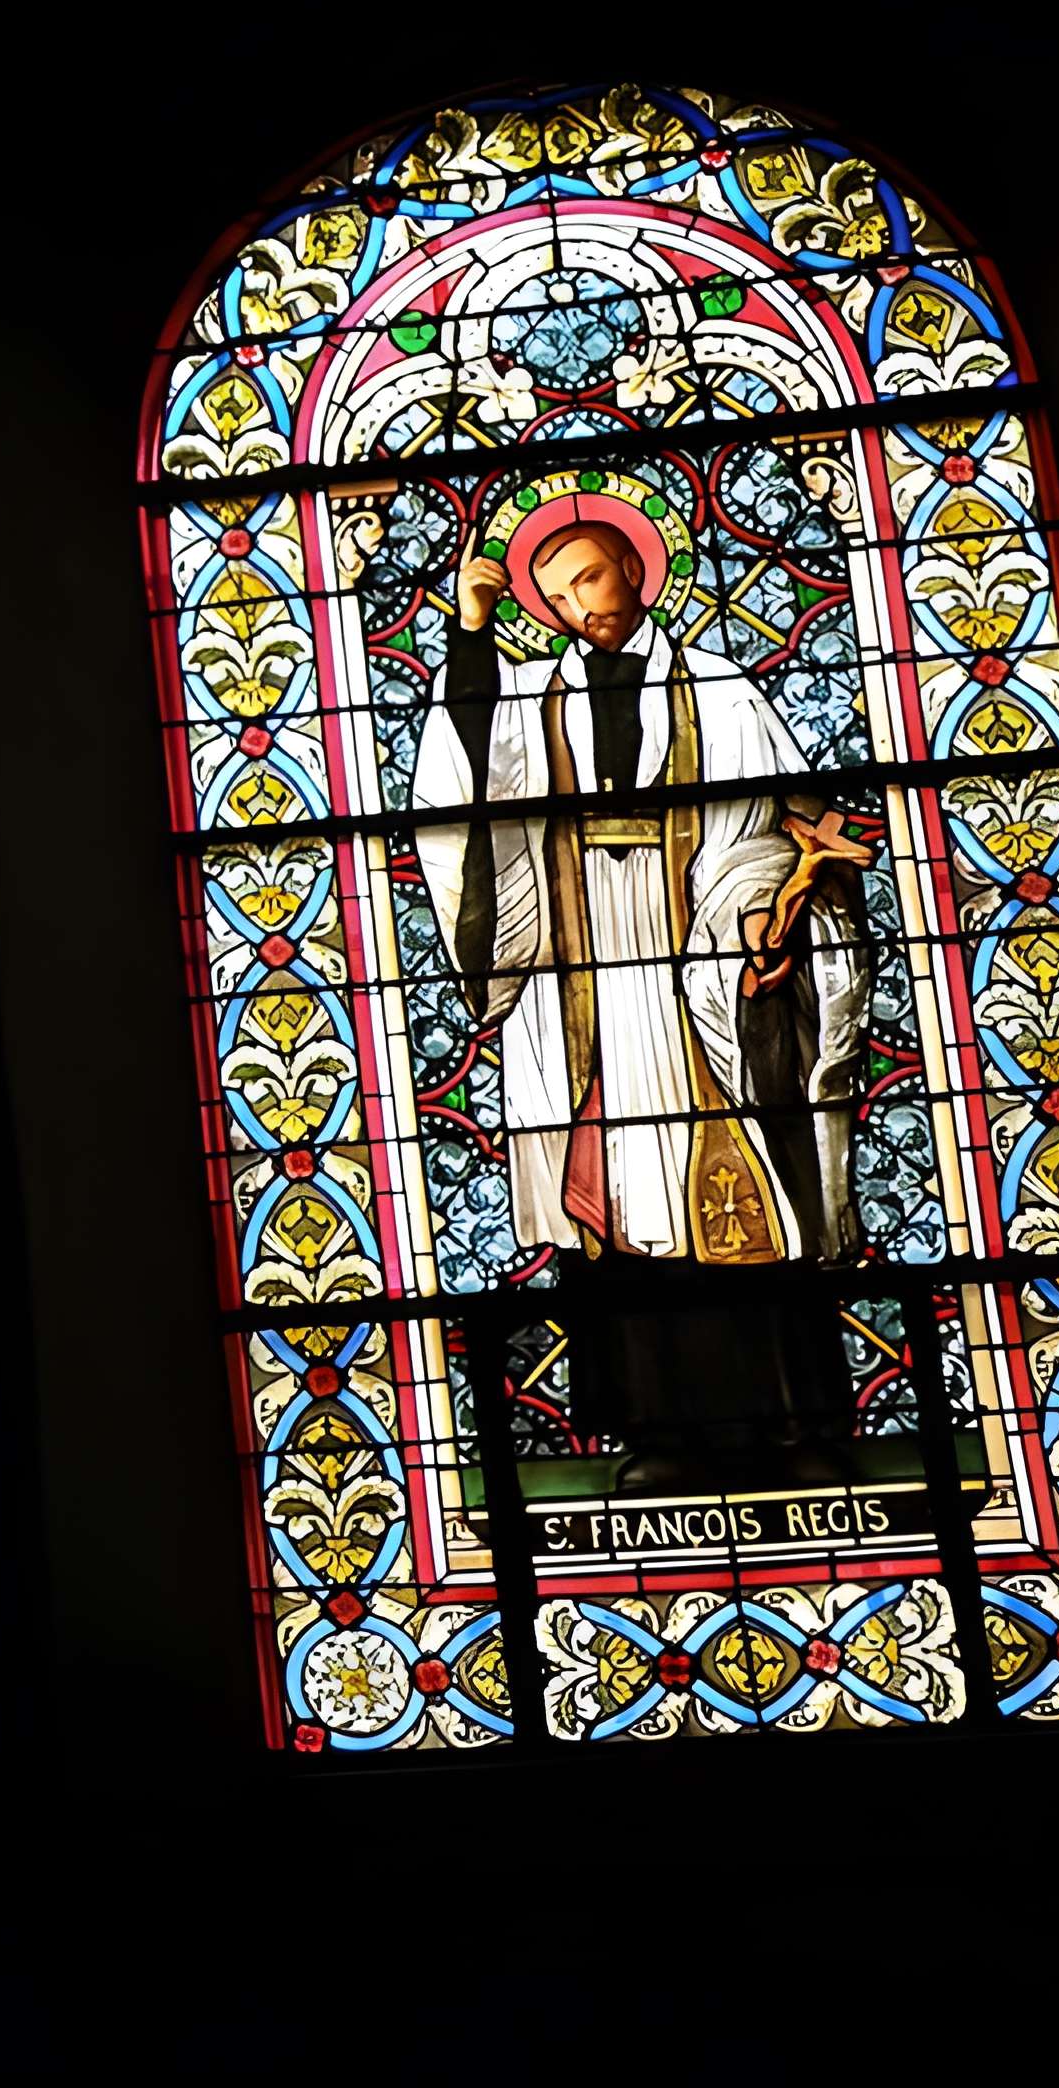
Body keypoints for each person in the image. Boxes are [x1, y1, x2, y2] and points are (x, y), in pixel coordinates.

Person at [412, 496, 876, 1487]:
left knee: (756, 1197)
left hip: (701, 969)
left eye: (591, 575)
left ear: (631, 567)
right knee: (609, 1210)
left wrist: (761, 920)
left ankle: (799, 1429)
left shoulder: (719, 690)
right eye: (556, 590)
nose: (581, 602)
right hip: (569, 976)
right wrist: (467, 631)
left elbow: (786, 828)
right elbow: (459, 770)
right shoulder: (525, 696)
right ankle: (653, 1437)